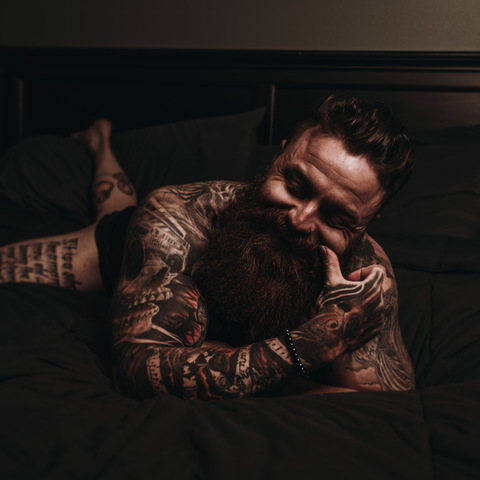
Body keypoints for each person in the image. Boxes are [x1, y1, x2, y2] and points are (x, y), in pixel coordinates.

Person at [0, 93, 416, 401]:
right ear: (279, 154)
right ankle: (100, 144)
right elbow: (137, 371)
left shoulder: (366, 270)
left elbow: (383, 407)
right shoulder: (175, 218)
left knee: (118, 199)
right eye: (294, 185)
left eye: (337, 217)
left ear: (366, 224)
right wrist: (305, 348)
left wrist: (336, 329)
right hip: (123, 242)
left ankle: (100, 143)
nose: (300, 220)